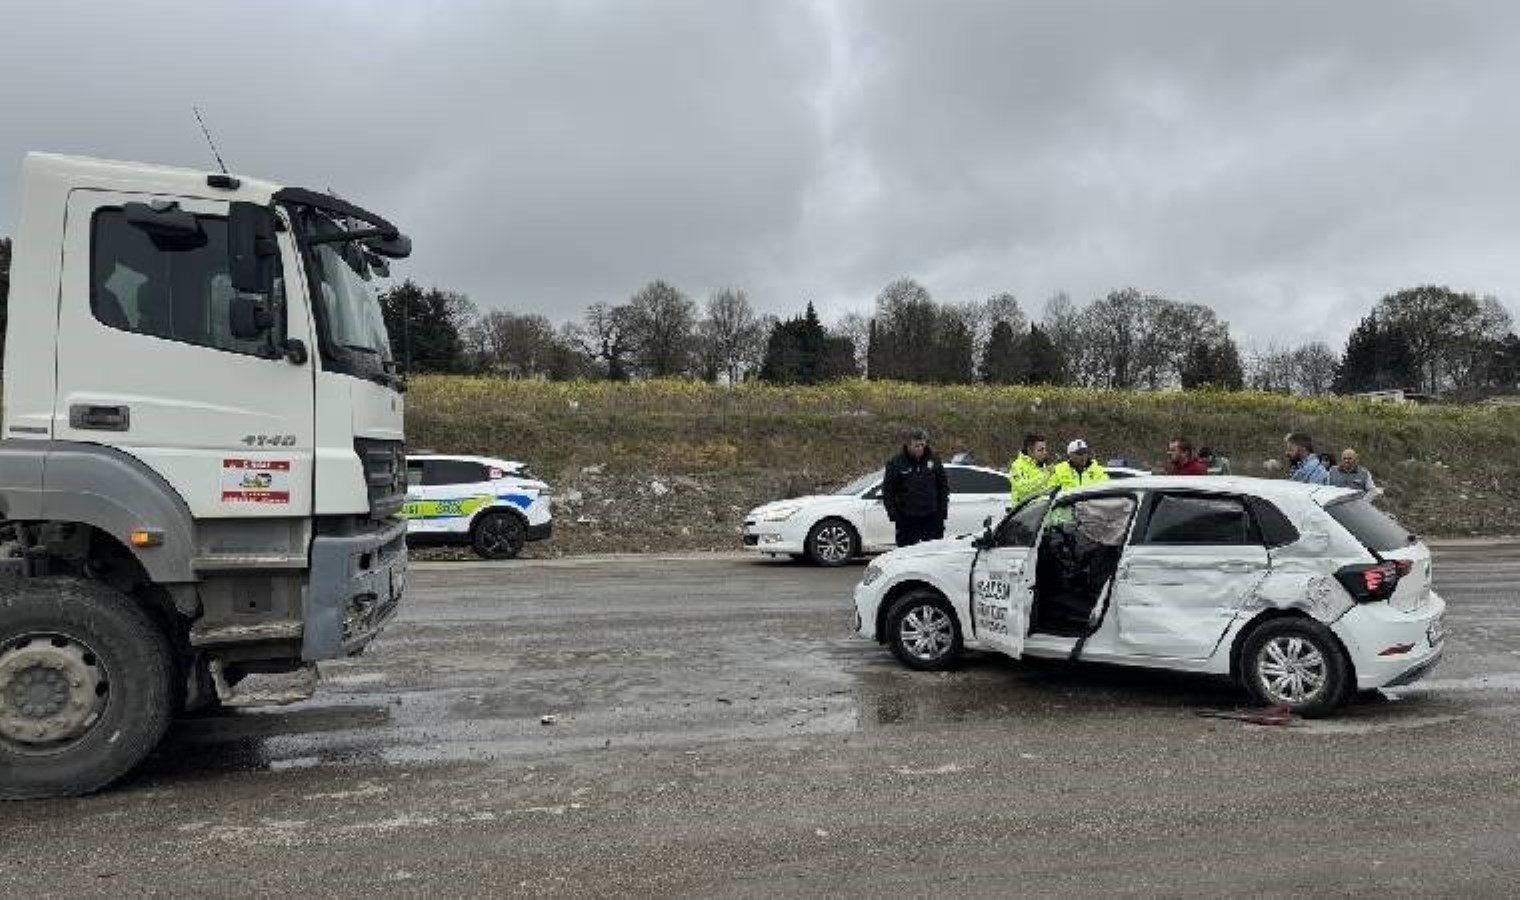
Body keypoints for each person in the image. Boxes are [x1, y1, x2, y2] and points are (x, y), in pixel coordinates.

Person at [880, 428, 950, 547]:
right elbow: (888, 491)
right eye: (916, 445)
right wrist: (895, 515)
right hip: (907, 521)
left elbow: (943, 488)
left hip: (931, 519)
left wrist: (942, 513)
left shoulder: (934, 460)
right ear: (908, 445)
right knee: (907, 557)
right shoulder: (896, 463)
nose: (920, 448)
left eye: (922, 444)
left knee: (933, 555)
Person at [1008, 432, 1054, 506]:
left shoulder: (1044, 465)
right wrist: (1046, 475)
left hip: (1042, 511)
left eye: (1045, 449)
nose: (1045, 452)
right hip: (1023, 513)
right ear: (1029, 450)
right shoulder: (1017, 466)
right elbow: (1023, 488)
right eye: (1040, 450)